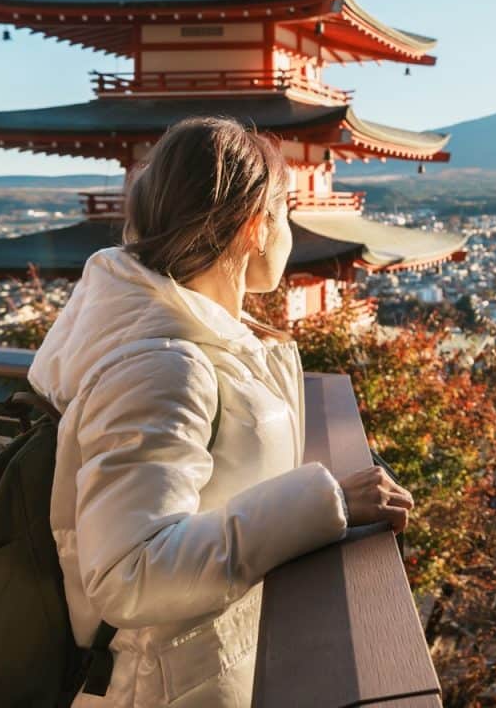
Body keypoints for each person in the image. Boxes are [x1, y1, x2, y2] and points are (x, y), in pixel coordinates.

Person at [28, 116, 413, 707]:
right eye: (285, 213)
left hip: (192, 671)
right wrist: (327, 503)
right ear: (255, 227)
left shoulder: (198, 338)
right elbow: (131, 572)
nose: (290, 230)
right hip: (162, 686)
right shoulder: (162, 365)